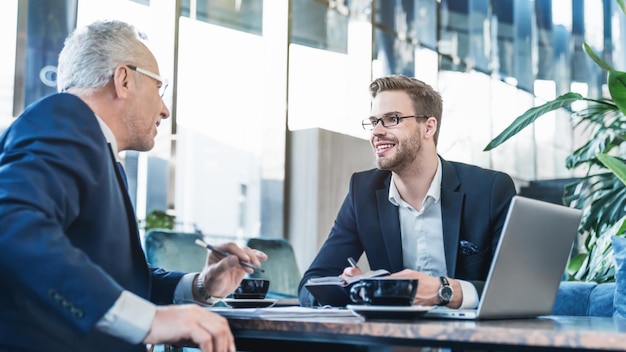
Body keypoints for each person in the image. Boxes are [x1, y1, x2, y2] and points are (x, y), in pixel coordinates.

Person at [0, 20, 266, 352]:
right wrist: (153, 321)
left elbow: (120, 284)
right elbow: (11, 224)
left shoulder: (99, 153)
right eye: (159, 88)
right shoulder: (66, 119)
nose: (165, 110)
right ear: (123, 79)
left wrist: (200, 285)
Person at [298, 75, 516, 309]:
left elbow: (516, 289)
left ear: (428, 127)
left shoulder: (490, 191)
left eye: (392, 119)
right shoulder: (362, 193)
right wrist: (360, 290)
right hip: (396, 341)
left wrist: (445, 291)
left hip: (471, 340)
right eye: (374, 122)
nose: (377, 132)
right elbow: (310, 284)